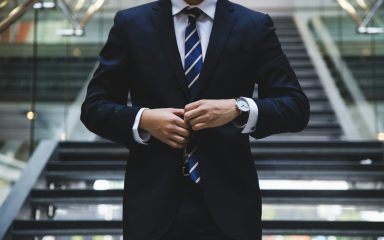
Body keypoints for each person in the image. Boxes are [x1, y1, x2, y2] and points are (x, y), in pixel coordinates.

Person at [80, 0, 310, 239]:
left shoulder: (253, 25)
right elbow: (94, 107)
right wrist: (144, 119)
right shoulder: (131, 23)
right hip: (152, 206)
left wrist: (238, 107)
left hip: (231, 208)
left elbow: (296, 107)